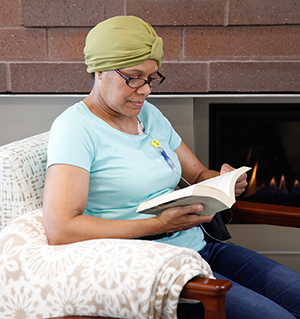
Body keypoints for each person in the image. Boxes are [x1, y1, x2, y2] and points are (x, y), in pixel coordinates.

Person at [43, 15, 300, 319]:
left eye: (152, 78)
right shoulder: (75, 128)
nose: (145, 90)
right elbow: (61, 228)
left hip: (200, 246)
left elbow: (197, 174)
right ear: (99, 69)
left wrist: (223, 180)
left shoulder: (148, 115)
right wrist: (159, 224)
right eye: (134, 77)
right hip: (154, 269)